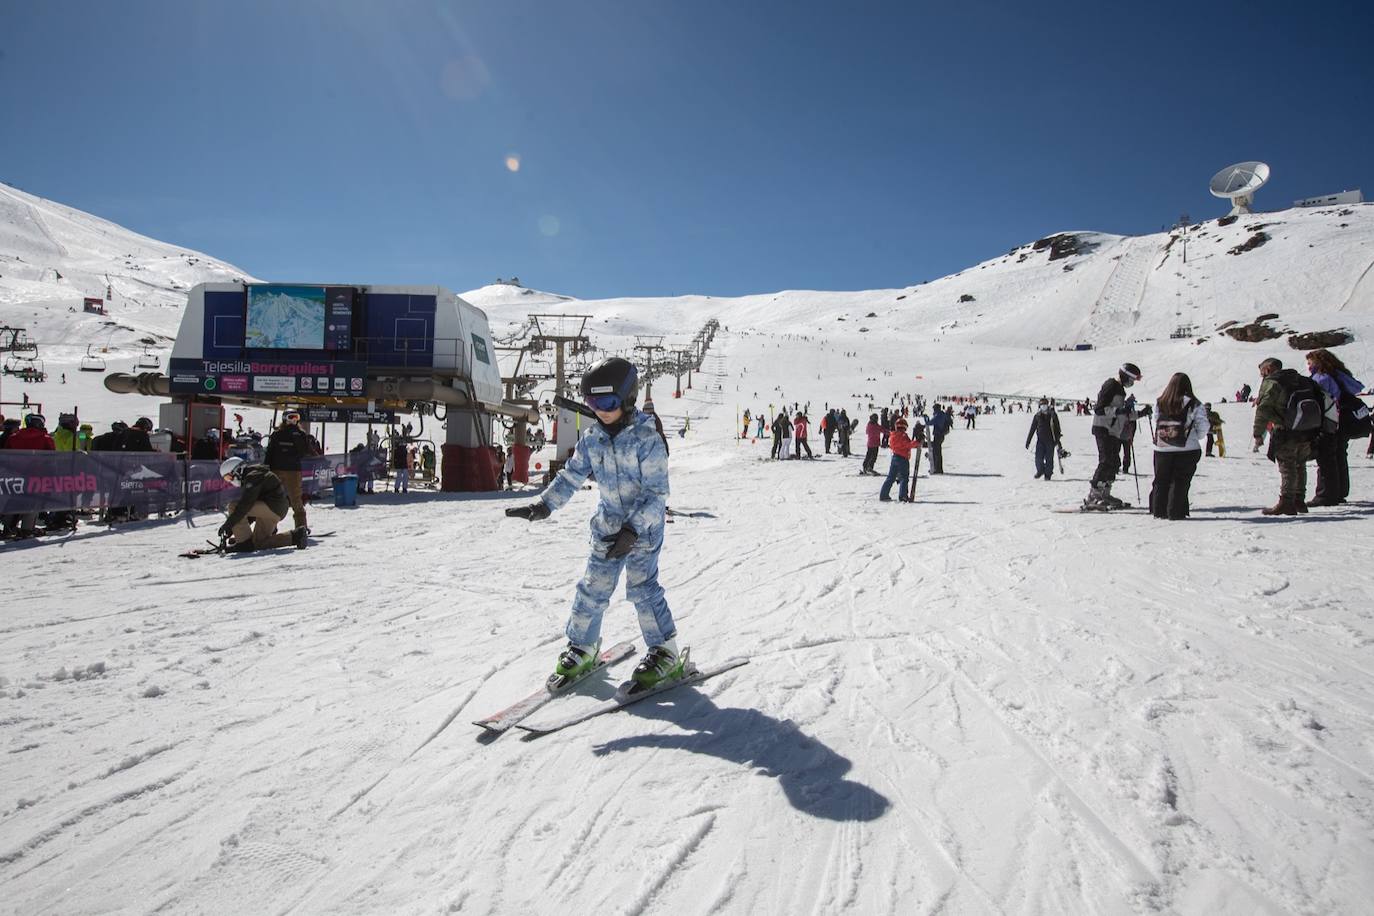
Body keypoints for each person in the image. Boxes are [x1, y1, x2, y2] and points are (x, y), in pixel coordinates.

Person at [504, 357, 683, 690]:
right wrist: (544, 505)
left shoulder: (647, 439)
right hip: (608, 525)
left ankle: (665, 652)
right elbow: (571, 475)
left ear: (627, 399)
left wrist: (632, 530)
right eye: (592, 402)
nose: (600, 410)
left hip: (642, 529)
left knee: (643, 590)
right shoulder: (593, 439)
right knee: (592, 588)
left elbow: (657, 494)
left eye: (608, 402)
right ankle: (583, 646)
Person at [1252, 357, 1318, 516]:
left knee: (1287, 465)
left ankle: (1286, 502)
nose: (1262, 376)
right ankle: (1299, 500)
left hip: (1285, 429)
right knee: (1300, 463)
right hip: (1306, 428)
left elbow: (1264, 409)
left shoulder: (1273, 383)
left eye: (1262, 372)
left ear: (1268, 369)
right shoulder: (1300, 379)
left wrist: (1257, 433)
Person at [1085, 363, 1149, 509]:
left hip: (1114, 431)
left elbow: (1123, 414)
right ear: (1126, 376)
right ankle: (1094, 495)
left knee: (1114, 463)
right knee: (1106, 460)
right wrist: (1118, 411)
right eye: (1132, 380)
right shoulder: (1111, 385)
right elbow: (1099, 409)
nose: (1132, 384)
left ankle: (1105, 493)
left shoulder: (1120, 390)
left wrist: (1141, 413)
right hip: (1103, 428)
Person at [1306, 348, 1365, 506]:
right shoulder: (1339, 375)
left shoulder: (1322, 378)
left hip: (1331, 421)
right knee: (1339, 455)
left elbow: (1315, 397)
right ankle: (1340, 491)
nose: (1308, 366)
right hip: (1345, 421)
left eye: (1310, 362)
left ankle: (1326, 494)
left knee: (1326, 457)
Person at [1149, 373, 1209, 520]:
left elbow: (1156, 420)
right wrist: (1196, 437)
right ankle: (1175, 512)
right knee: (1180, 480)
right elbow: (1203, 426)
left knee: (1161, 479)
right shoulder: (1194, 403)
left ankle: (1159, 510)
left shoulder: (1160, 402)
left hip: (1162, 447)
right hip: (1187, 448)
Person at [216, 457, 307, 551]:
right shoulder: (254, 475)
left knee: (233, 506)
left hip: (273, 507)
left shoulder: (253, 476)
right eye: (227, 479)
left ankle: (244, 543)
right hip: (275, 509)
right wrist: (231, 530)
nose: (230, 481)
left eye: (229, 477)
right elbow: (250, 513)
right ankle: (295, 536)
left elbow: (245, 506)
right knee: (258, 542)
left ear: (237, 470)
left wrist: (228, 525)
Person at [3, 415, 55, 537]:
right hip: (37, 476)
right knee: (33, 502)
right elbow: (52, 459)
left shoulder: (13, 437)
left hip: (15, 475)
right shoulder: (45, 438)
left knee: (15, 499)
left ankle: (8, 527)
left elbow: (6, 455)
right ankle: (27, 528)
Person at [265, 410, 314, 529]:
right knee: (274, 498)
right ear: (285, 418)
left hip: (292, 470)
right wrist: (267, 468)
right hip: (279, 470)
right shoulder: (277, 434)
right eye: (291, 417)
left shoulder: (299, 434)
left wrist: (299, 436)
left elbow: (305, 451)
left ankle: (301, 527)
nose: (294, 420)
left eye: (296, 417)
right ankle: (270, 527)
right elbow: (270, 452)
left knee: (296, 498)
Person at [879, 416, 919, 502]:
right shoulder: (903, 436)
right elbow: (908, 444)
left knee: (891, 477)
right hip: (903, 459)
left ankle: (883, 494)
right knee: (904, 477)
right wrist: (917, 442)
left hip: (895, 457)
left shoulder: (893, 435)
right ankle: (903, 495)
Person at [1025, 398, 1062, 480]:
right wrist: (1028, 441)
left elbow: (1057, 428)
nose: (1043, 406)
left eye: (1045, 404)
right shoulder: (1037, 416)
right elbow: (1032, 429)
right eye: (1042, 405)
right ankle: (1040, 470)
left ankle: (1048, 474)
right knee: (1038, 458)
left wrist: (1057, 439)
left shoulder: (1052, 415)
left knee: (1049, 458)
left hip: (1050, 441)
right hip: (1040, 441)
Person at [927, 403, 952, 474]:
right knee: (938, 452)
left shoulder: (938, 415)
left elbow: (931, 422)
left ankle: (936, 469)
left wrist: (926, 421)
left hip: (938, 435)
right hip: (941, 435)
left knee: (936, 452)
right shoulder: (943, 414)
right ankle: (939, 468)